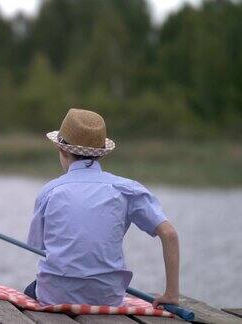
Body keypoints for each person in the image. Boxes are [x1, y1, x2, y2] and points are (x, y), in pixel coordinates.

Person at [24, 108, 180, 308]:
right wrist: (171, 294)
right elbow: (170, 235)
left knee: (31, 289)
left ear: (62, 150)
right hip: (108, 297)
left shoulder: (49, 191)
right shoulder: (127, 189)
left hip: (55, 296)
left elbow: (37, 246)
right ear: (100, 154)